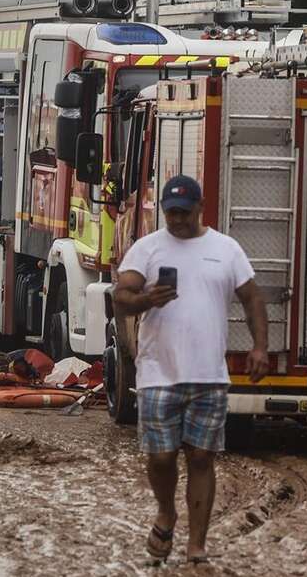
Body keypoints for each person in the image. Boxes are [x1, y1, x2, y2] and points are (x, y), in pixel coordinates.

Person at [110, 174, 269, 566]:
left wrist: (260, 347)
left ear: (200, 208)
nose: (177, 220)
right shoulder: (147, 249)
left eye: (184, 212)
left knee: (201, 458)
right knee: (161, 458)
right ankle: (166, 512)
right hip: (158, 374)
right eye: (171, 213)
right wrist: (147, 299)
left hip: (209, 376)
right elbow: (120, 298)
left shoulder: (226, 249)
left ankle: (197, 545)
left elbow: (252, 299)